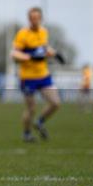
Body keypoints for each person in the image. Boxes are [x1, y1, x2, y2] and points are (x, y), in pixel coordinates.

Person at [11, 7, 64, 142]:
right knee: (31, 108)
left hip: (43, 75)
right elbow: (14, 54)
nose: (35, 20)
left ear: (41, 19)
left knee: (56, 103)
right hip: (28, 77)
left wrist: (56, 54)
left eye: (37, 18)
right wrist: (30, 57)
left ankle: (39, 122)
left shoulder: (43, 32)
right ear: (29, 19)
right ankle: (27, 133)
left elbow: (44, 48)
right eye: (32, 18)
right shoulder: (22, 34)